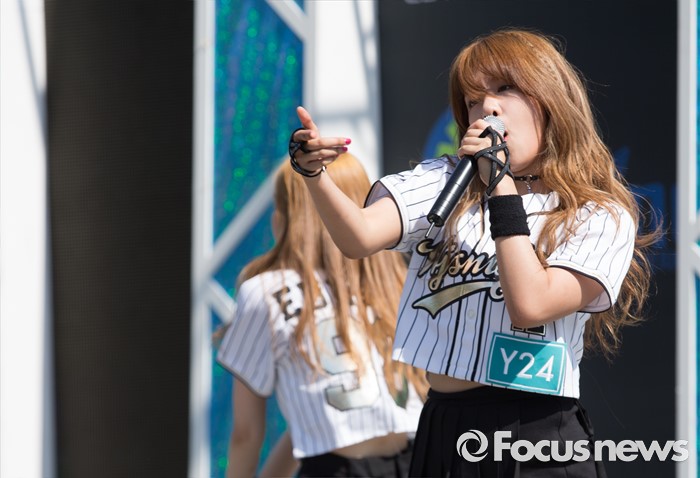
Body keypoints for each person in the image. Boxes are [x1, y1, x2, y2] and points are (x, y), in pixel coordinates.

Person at [287, 28, 658, 477]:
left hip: (536, 431)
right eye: (473, 100)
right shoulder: (445, 180)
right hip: (446, 427)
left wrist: (500, 185)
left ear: (551, 98)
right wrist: (314, 175)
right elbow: (359, 237)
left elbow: (531, 304)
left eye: (505, 89)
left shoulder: (597, 213)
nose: (488, 108)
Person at [216, 152, 428, 478]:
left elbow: (246, 434)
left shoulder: (266, 291)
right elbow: (320, 423)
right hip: (416, 461)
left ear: (285, 218)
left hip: (337, 468)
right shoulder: (394, 283)